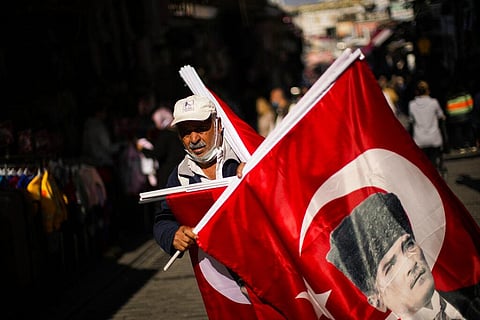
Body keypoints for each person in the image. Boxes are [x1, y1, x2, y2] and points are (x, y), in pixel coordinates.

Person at [327, 192, 479, 319]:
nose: (409, 263)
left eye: (409, 245)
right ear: (376, 300)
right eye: (390, 267)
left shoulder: (471, 296)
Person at [152, 94, 244, 257]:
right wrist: (172, 234)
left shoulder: (244, 157)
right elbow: (164, 218)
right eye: (186, 132)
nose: (193, 139)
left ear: (218, 125)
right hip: (221, 276)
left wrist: (260, 176)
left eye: (201, 129)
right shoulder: (180, 176)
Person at [408, 81, 446, 174]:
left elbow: (411, 121)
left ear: (416, 91)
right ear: (428, 91)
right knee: (434, 162)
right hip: (434, 137)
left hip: (419, 139)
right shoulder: (434, 103)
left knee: (424, 164)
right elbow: (441, 116)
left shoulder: (412, 104)